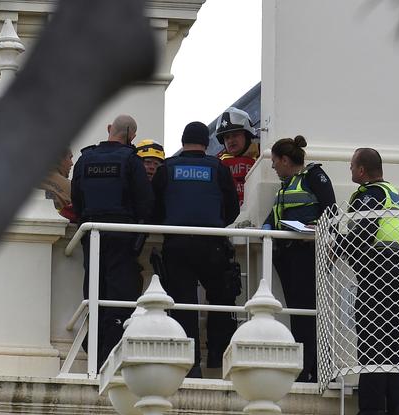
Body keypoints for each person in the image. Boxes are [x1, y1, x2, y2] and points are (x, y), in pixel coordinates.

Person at [152, 121, 240, 377]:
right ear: (205, 142)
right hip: (211, 243)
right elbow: (232, 208)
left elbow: (153, 205)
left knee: (183, 304)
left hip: (177, 245)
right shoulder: (218, 168)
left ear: (183, 141)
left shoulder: (167, 168)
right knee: (221, 300)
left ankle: (191, 367)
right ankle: (217, 358)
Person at [71, 115, 153, 370]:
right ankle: (108, 356)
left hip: (91, 233)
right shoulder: (131, 160)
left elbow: (77, 202)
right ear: (132, 135)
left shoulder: (84, 160)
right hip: (121, 234)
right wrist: (138, 240)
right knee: (119, 297)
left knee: (94, 294)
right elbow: (146, 204)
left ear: (109, 130)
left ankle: (94, 353)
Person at [340, 148, 399, 415]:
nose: (350, 171)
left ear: (361, 170)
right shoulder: (392, 191)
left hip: (377, 268)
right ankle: (396, 406)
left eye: (351, 167)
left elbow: (362, 234)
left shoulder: (367, 194)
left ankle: (371, 408)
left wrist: (334, 244)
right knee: (391, 338)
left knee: (370, 335)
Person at [263, 135, 336, 383]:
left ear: (285, 160)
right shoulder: (286, 186)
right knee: (298, 312)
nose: (272, 166)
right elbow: (275, 216)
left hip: (307, 254)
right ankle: (305, 368)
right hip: (288, 256)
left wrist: (315, 229)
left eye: (274, 161)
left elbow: (330, 211)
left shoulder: (314, 177)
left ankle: (312, 370)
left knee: (307, 312)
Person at [215, 107, 260, 206]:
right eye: (227, 137)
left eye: (235, 135)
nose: (230, 141)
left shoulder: (263, 157)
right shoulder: (217, 164)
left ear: (247, 135)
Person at [40, 148, 78, 222]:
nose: (72, 163)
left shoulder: (29, 183)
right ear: (60, 159)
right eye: (70, 158)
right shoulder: (72, 187)